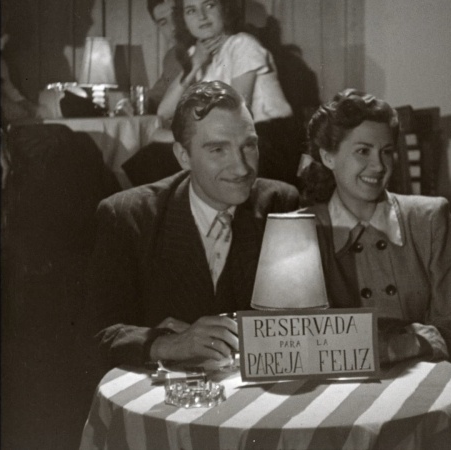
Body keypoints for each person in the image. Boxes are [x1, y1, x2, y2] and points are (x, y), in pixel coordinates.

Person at [82, 80, 300, 370]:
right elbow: (96, 335)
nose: (241, 167)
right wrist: (167, 344)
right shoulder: (128, 215)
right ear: (183, 156)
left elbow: (301, 322)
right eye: (218, 150)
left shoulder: (280, 203)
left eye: (249, 145)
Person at [298, 89, 451, 366]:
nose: (379, 166)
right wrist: (393, 347)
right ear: (328, 157)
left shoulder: (429, 218)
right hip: (341, 380)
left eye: (387, 152)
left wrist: (408, 348)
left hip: (426, 372)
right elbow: (298, 339)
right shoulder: (302, 229)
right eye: (363, 151)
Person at [156, 0, 303, 186]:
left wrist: (178, 137)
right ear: (183, 19)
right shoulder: (198, 54)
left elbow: (233, 114)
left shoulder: (243, 44)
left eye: (209, 5)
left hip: (267, 141)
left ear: (224, 9)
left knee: (158, 158)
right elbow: (164, 111)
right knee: (155, 158)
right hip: (226, 138)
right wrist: (194, 65)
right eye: (191, 10)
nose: (201, 16)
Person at [145, 0, 183, 114]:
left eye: (175, 16)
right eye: (163, 23)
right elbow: (156, 96)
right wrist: (128, 103)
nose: (173, 27)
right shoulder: (171, 57)